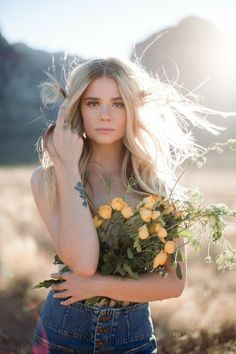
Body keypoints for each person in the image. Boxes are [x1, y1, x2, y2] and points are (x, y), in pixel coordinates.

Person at [31, 57, 221, 353]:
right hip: (62, 334)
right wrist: (67, 166)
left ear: (132, 108)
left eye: (118, 104)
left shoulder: (158, 189)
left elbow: (173, 283)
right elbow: (82, 263)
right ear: (76, 108)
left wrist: (97, 286)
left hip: (132, 339)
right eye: (93, 103)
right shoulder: (49, 180)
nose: (105, 115)